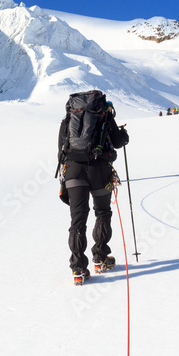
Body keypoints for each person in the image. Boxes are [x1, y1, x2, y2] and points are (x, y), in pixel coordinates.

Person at [57, 95, 130, 284]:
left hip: (73, 170)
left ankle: (78, 268)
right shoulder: (104, 115)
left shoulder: (69, 118)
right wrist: (123, 136)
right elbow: (117, 142)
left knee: (78, 219)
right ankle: (100, 257)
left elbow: (61, 149)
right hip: (99, 170)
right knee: (103, 211)